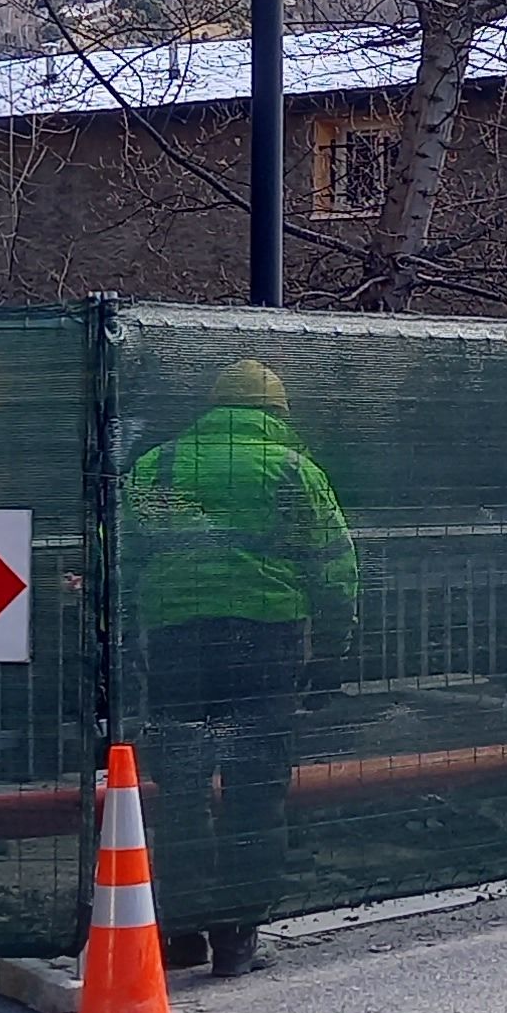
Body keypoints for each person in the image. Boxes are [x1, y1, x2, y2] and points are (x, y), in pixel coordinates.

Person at [124, 357, 356, 977]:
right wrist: (330, 649)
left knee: (182, 786)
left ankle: (178, 930)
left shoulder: (159, 464)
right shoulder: (292, 470)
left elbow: (119, 553)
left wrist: (121, 641)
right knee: (255, 787)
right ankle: (237, 934)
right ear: (278, 413)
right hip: (264, 641)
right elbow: (333, 563)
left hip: (175, 640)